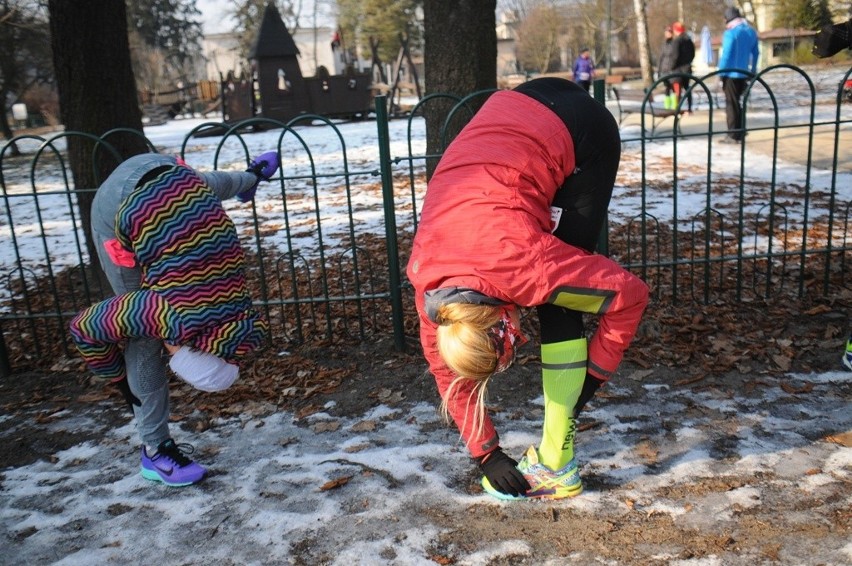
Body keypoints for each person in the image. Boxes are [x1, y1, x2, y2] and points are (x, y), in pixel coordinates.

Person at [407, 77, 649, 500]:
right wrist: (487, 454)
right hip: (517, 102)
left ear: (503, 321)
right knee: (556, 291)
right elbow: (448, 369)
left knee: (558, 303)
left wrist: (588, 380)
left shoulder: (528, 268)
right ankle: (557, 448)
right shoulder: (433, 288)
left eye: (514, 339)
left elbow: (630, 296)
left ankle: (558, 462)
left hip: (582, 131)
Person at [69, 151, 279, 487]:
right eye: (175, 354)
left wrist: (251, 177)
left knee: (206, 188)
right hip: (118, 202)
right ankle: (155, 452)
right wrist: (116, 376)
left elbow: (212, 184)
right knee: (142, 335)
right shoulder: (166, 314)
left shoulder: (241, 320)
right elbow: (83, 328)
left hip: (176, 177)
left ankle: (251, 177)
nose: (172, 351)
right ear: (183, 346)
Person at [717, 7, 759, 144]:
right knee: (739, 103)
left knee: (731, 104)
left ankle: (733, 134)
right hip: (744, 73)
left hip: (730, 74)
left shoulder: (731, 33)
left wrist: (721, 73)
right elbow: (756, 53)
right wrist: (752, 70)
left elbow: (726, 55)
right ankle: (740, 131)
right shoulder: (750, 31)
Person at [671, 21, 696, 113]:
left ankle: (677, 108)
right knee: (687, 88)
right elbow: (693, 54)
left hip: (678, 69)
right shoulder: (689, 40)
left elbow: (675, 55)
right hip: (687, 68)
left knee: (677, 90)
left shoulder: (677, 41)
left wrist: (672, 66)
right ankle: (689, 108)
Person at [658, 26, 677, 109]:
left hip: (671, 69)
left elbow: (674, 56)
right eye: (666, 32)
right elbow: (661, 57)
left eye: (669, 32)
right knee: (667, 88)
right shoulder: (664, 44)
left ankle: (674, 105)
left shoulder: (674, 43)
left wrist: (672, 66)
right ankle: (667, 105)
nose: (667, 34)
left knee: (673, 88)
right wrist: (659, 69)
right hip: (664, 69)